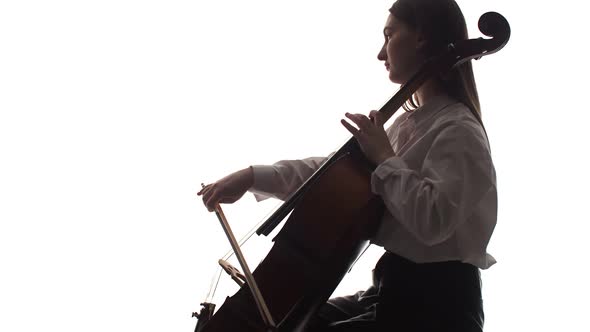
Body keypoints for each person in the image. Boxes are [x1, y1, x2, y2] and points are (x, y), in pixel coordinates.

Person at [198, 0, 497, 330]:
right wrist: (252, 176)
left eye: (389, 35)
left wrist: (385, 158)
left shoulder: (458, 129)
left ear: (421, 38)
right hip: (390, 292)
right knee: (292, 321)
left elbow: (434, 220)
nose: (381, 54)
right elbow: (335, 177)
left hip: (437, 310)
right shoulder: (409, 125)